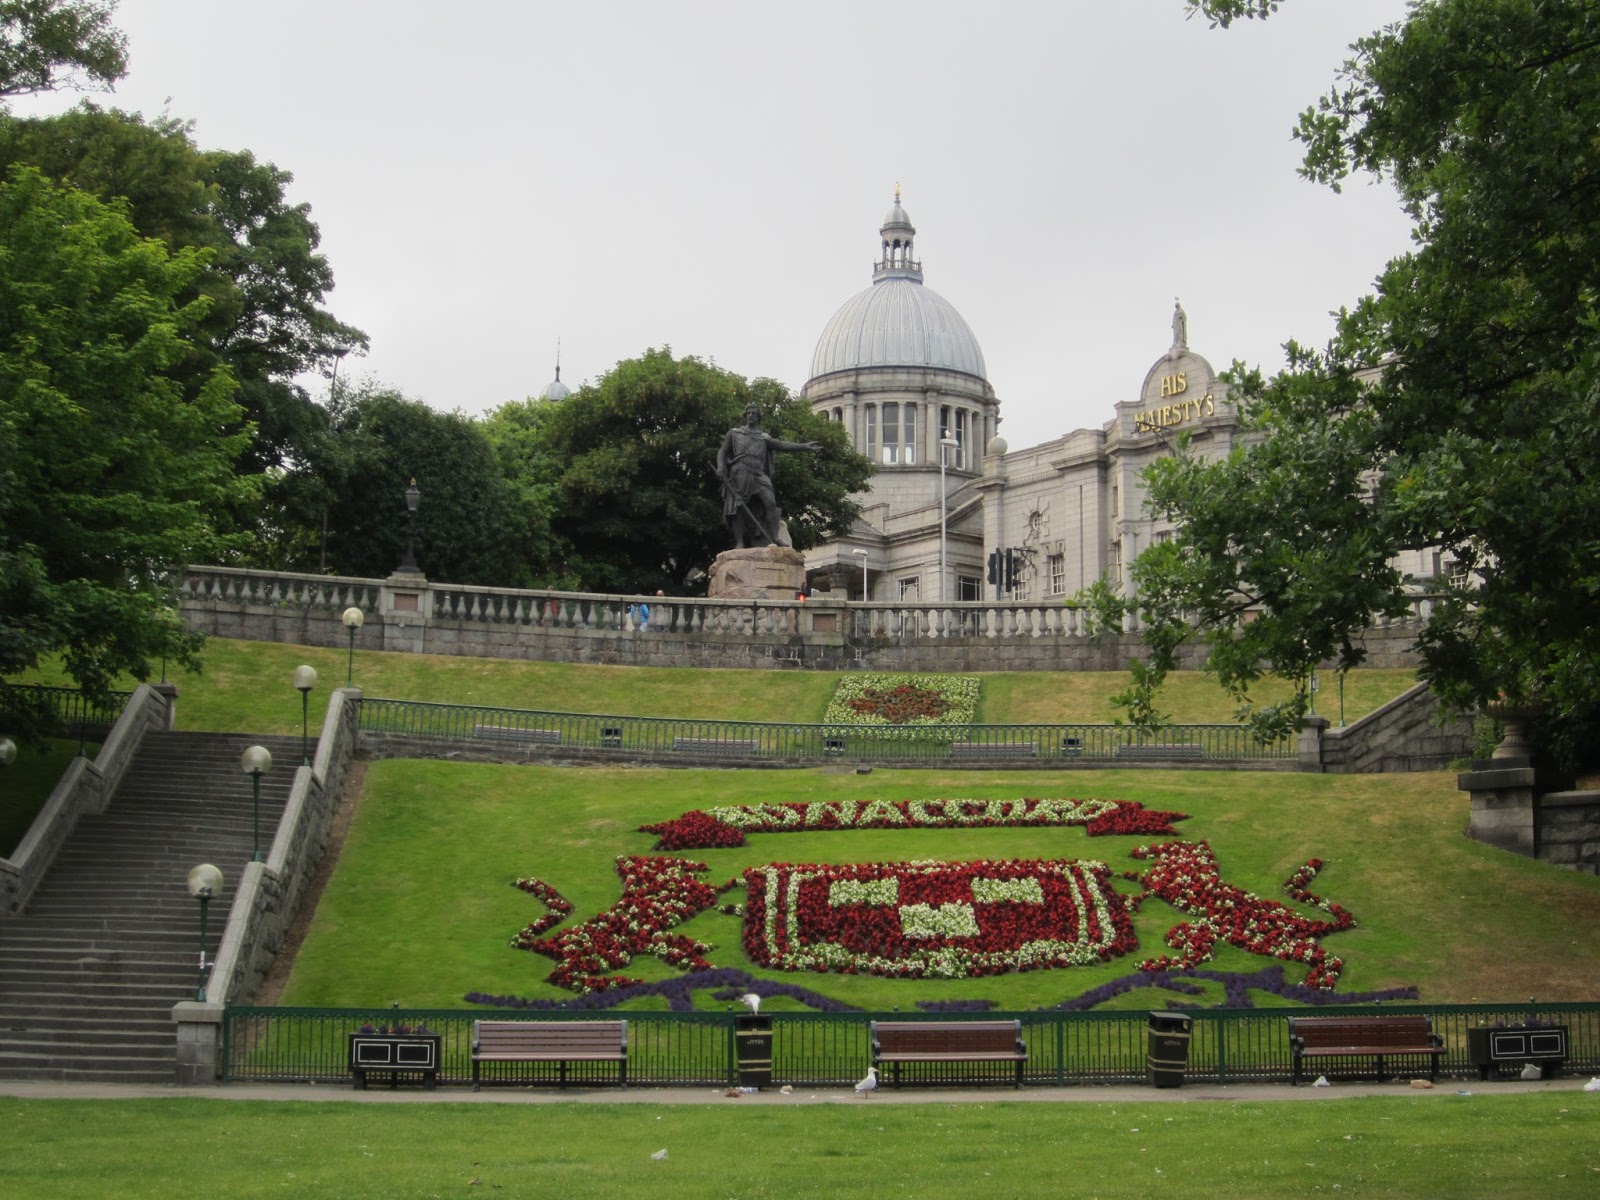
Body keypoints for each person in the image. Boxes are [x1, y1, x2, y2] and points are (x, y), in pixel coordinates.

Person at [715, 405, 820, 549]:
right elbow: (722, 451)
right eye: (748, 413)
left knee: (770, 503)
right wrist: (720, 467)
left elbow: (782, 445)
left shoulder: (764, 438)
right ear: (745, 415)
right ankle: (739, 542)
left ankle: (775, 537)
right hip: (739, 472)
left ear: (759, 417)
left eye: (754, 413)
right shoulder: (734, 434)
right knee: (737, 507)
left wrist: (804, 446)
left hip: (758, 473)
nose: (751, 415)